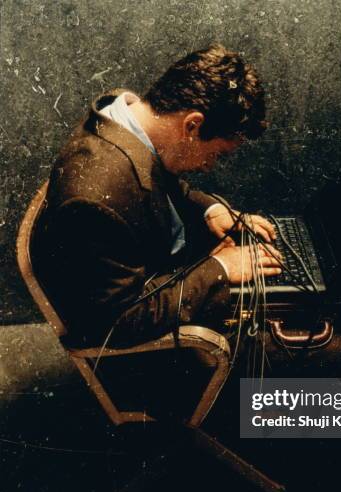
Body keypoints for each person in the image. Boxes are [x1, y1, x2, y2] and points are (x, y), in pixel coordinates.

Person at [31, 44, 282, 348]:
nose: (209, 166)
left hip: (161, 269)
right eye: (215, 154)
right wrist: (222, 269)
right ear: (192, 125)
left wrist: (210, 210)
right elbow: (116, 324)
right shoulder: (95, 199)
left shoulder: (129, 118)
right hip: (143, 341)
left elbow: (157, 180)